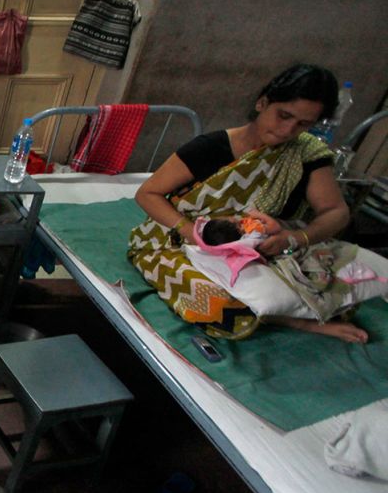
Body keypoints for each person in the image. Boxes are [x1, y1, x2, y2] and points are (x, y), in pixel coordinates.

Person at [128, 64, 367, 343]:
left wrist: (295, 238)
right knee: (210, 297)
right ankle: (294, 320)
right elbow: (148, 194)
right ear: (262, 103)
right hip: (183, 243)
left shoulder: (306, 154)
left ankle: (277, 305)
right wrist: (192, 231)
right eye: (283, 115)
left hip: (260, 246)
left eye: (303, 124)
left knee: (344, 289)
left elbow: (336, 212)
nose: (288, 129)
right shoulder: (210, 147)